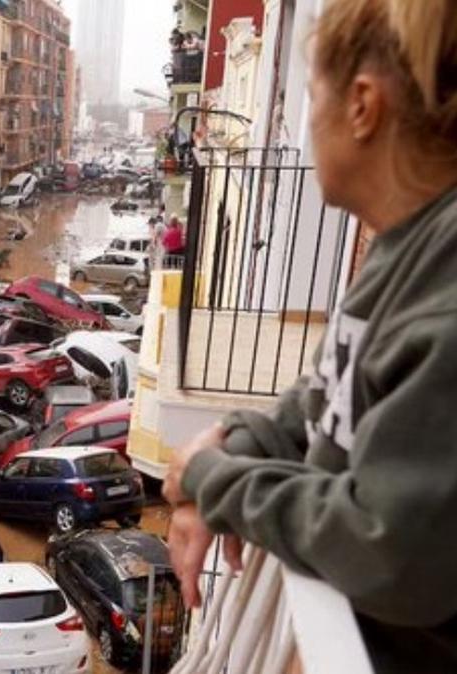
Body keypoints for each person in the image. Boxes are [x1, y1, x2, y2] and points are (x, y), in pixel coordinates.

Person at [161, 0, 457, 671]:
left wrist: (215, 480)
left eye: (311, 94)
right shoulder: (406, 244)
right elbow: (333, 386)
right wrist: (239, 440)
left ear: (361, 106)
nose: (303, 122)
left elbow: (390, 550)